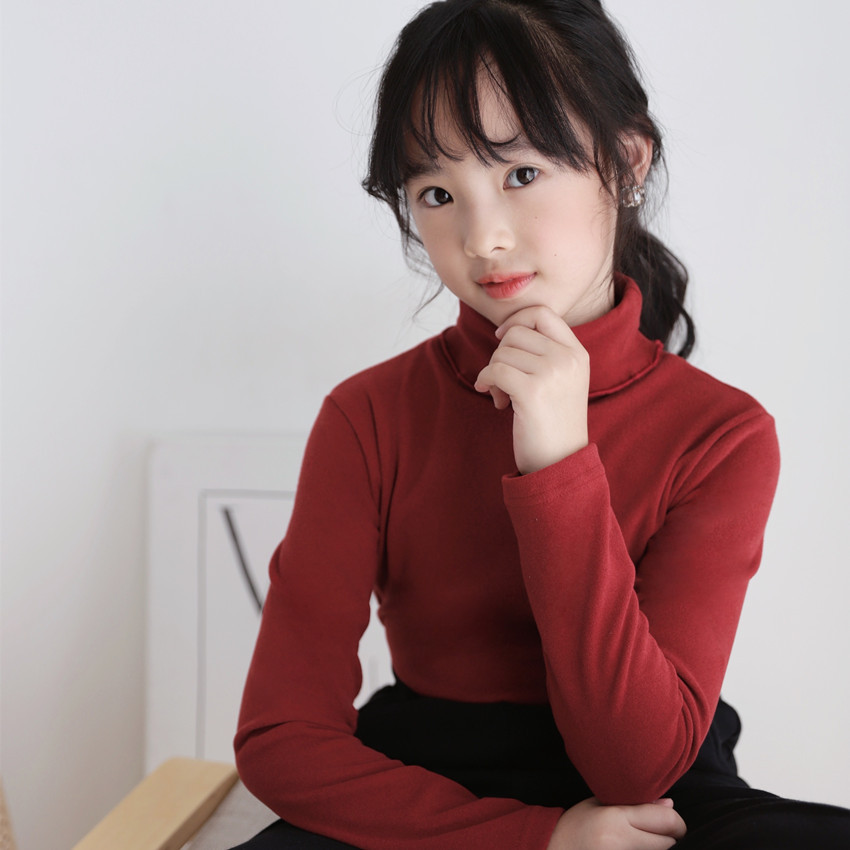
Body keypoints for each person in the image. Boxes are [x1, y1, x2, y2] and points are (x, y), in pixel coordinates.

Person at [231, 1, 850, 847]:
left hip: (661, 789)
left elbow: (636, 769)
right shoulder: (367, 416)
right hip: (428, 781)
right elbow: (281, 738)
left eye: (521, 173)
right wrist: (540, 839)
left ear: (626, 161)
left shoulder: (722, 434)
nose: (483, 239)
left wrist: (559, 462)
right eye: (437, 193)